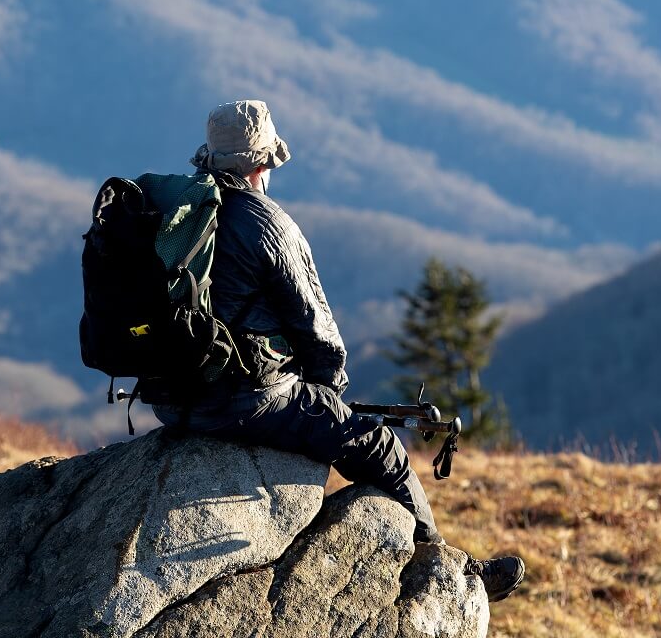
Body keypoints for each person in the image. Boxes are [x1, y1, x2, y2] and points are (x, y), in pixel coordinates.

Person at [151, 100, 524, 602]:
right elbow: (321, 337)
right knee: (381, 449)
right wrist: (327, 399)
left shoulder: (178, 212)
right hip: (244, 401)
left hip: (170, 400)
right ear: (263, 164)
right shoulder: (266, 224)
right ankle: (451, 577)